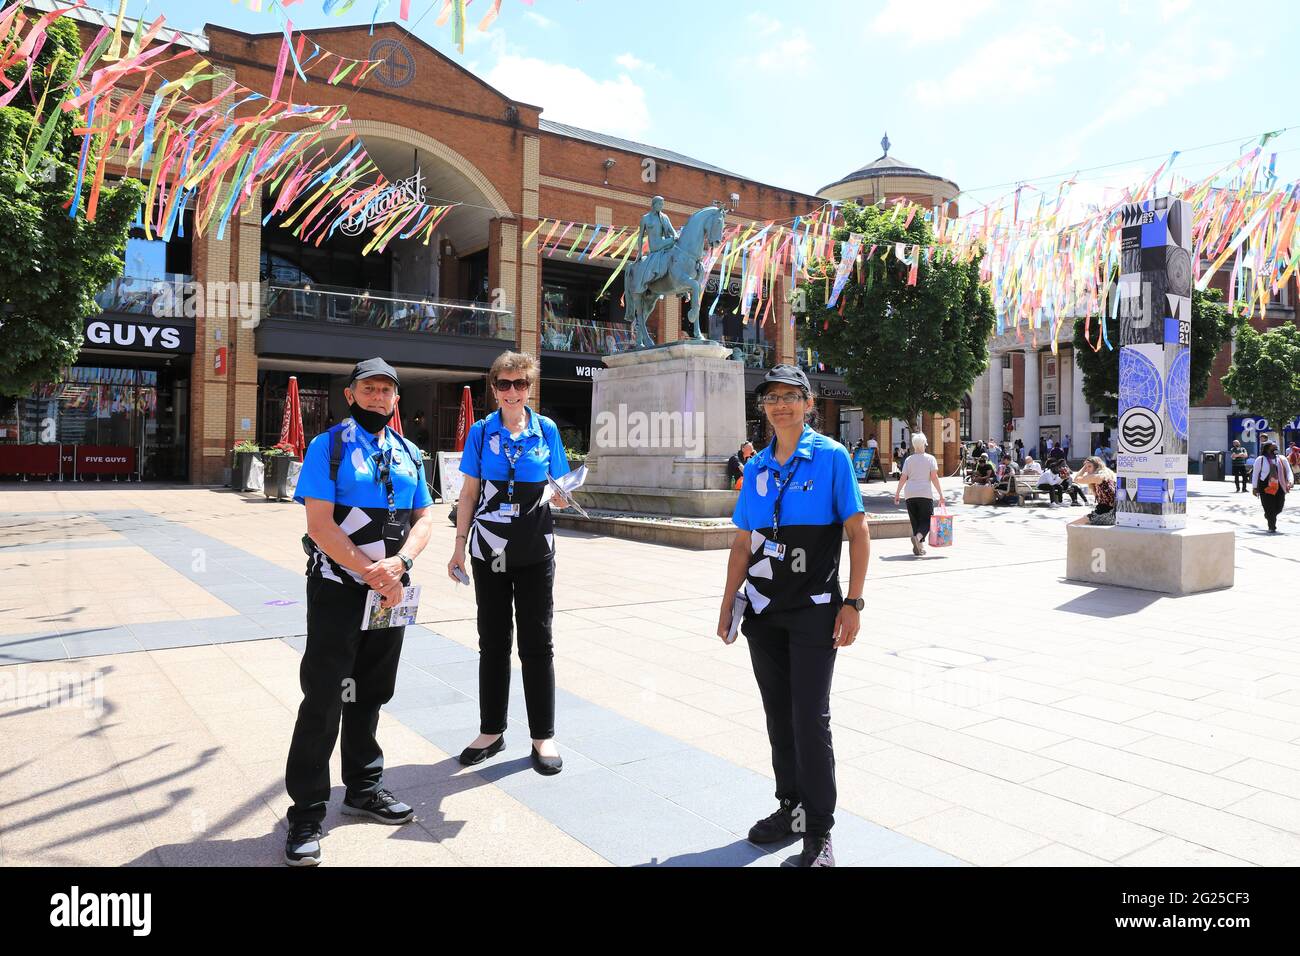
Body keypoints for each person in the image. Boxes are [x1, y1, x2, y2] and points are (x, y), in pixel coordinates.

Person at [285, 357, 436, 866]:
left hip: (390, 591)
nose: (377, 397)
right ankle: (307, 810)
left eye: (385, 391)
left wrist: (401, 562)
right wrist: (369, 572)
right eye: (367, 388)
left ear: (396, 400)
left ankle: (363, 789)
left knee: (371, 692)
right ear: (350, 395)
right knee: (324, 695)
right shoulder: (327, 448)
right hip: (339, 590)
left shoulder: (410, 452)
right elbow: (321, 525)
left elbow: (423, 517)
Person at [717, 365, 868, 868]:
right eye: (771, 398)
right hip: (763, 613)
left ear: (808, 402)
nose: (780, 405)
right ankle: (793, 808)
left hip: (815, 612)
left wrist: (853, 602)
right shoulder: (757, 467)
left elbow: (858, 532)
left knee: (810, 717)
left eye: (790, 396)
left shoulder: (831, 457)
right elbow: (743, 542)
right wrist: (727, 603)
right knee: (779, 716)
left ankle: (820, 831)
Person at [448, 352, 572, 773]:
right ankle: (492, 730)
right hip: (489, 549)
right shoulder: (481, 433)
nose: (513, 391)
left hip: (536, 547)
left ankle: (543, 735)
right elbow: (467, 494)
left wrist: (562, 495)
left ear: (530, 388)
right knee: (493, 640)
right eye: (505, 384)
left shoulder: (546, 429)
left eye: (521, 384)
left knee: (538, 642)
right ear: (494, 388)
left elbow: (562, 484)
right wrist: (458, 546)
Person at [894, 432, 945, 556]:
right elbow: (934, 477)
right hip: (924, 493)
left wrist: (897, 493)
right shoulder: (930, 458)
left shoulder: (908, 459)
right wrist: (941, 495)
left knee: (915, 521)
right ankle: (917, 539)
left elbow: (903, 477)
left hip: (909, 493)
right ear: (924, 444)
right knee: (927, 521)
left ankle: (920, 547)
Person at [1251, 441, 1294, 533]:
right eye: (1273, 448)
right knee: (1269, 506)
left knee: (1279, 507)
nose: (1276, 449)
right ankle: (1272, 526)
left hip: (1279, 485)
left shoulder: (1282, 458)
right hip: (1265, 486)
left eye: (1276, 447)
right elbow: (1255, 474)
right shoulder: (1260, 459)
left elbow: (1289, 471)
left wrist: (1290, 481)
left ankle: (1269, 515)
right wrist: (1254, 487)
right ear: (1267, 449)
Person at [1070, 456, 1118, 526]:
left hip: (1105, 514)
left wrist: (1083, 468)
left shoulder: (1098, 477)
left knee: (1071, 525)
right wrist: (1087, 466)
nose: (1087, 469)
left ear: (1096, 467)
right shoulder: (1105, 476)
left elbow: (1076, 479)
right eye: (1086, 467)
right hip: (1107, 512)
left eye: (1089, 466)